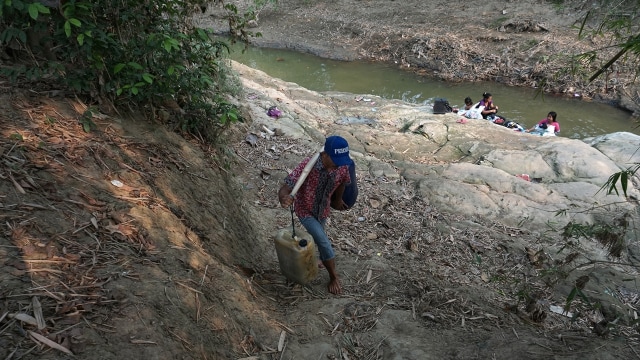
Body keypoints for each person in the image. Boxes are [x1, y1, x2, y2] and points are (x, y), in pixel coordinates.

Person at [278, 136, 352, 295]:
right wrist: (283, 199)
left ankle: (319, 258)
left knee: (320, 238)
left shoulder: (342, 166)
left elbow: (343, 182)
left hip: (323, 210)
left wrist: (338, 200)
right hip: (305, 210)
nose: (338, 164)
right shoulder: (308, 166)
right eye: (335, 160)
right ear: (325, 155)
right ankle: (333, 277)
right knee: (324, 243)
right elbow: (286, 187)